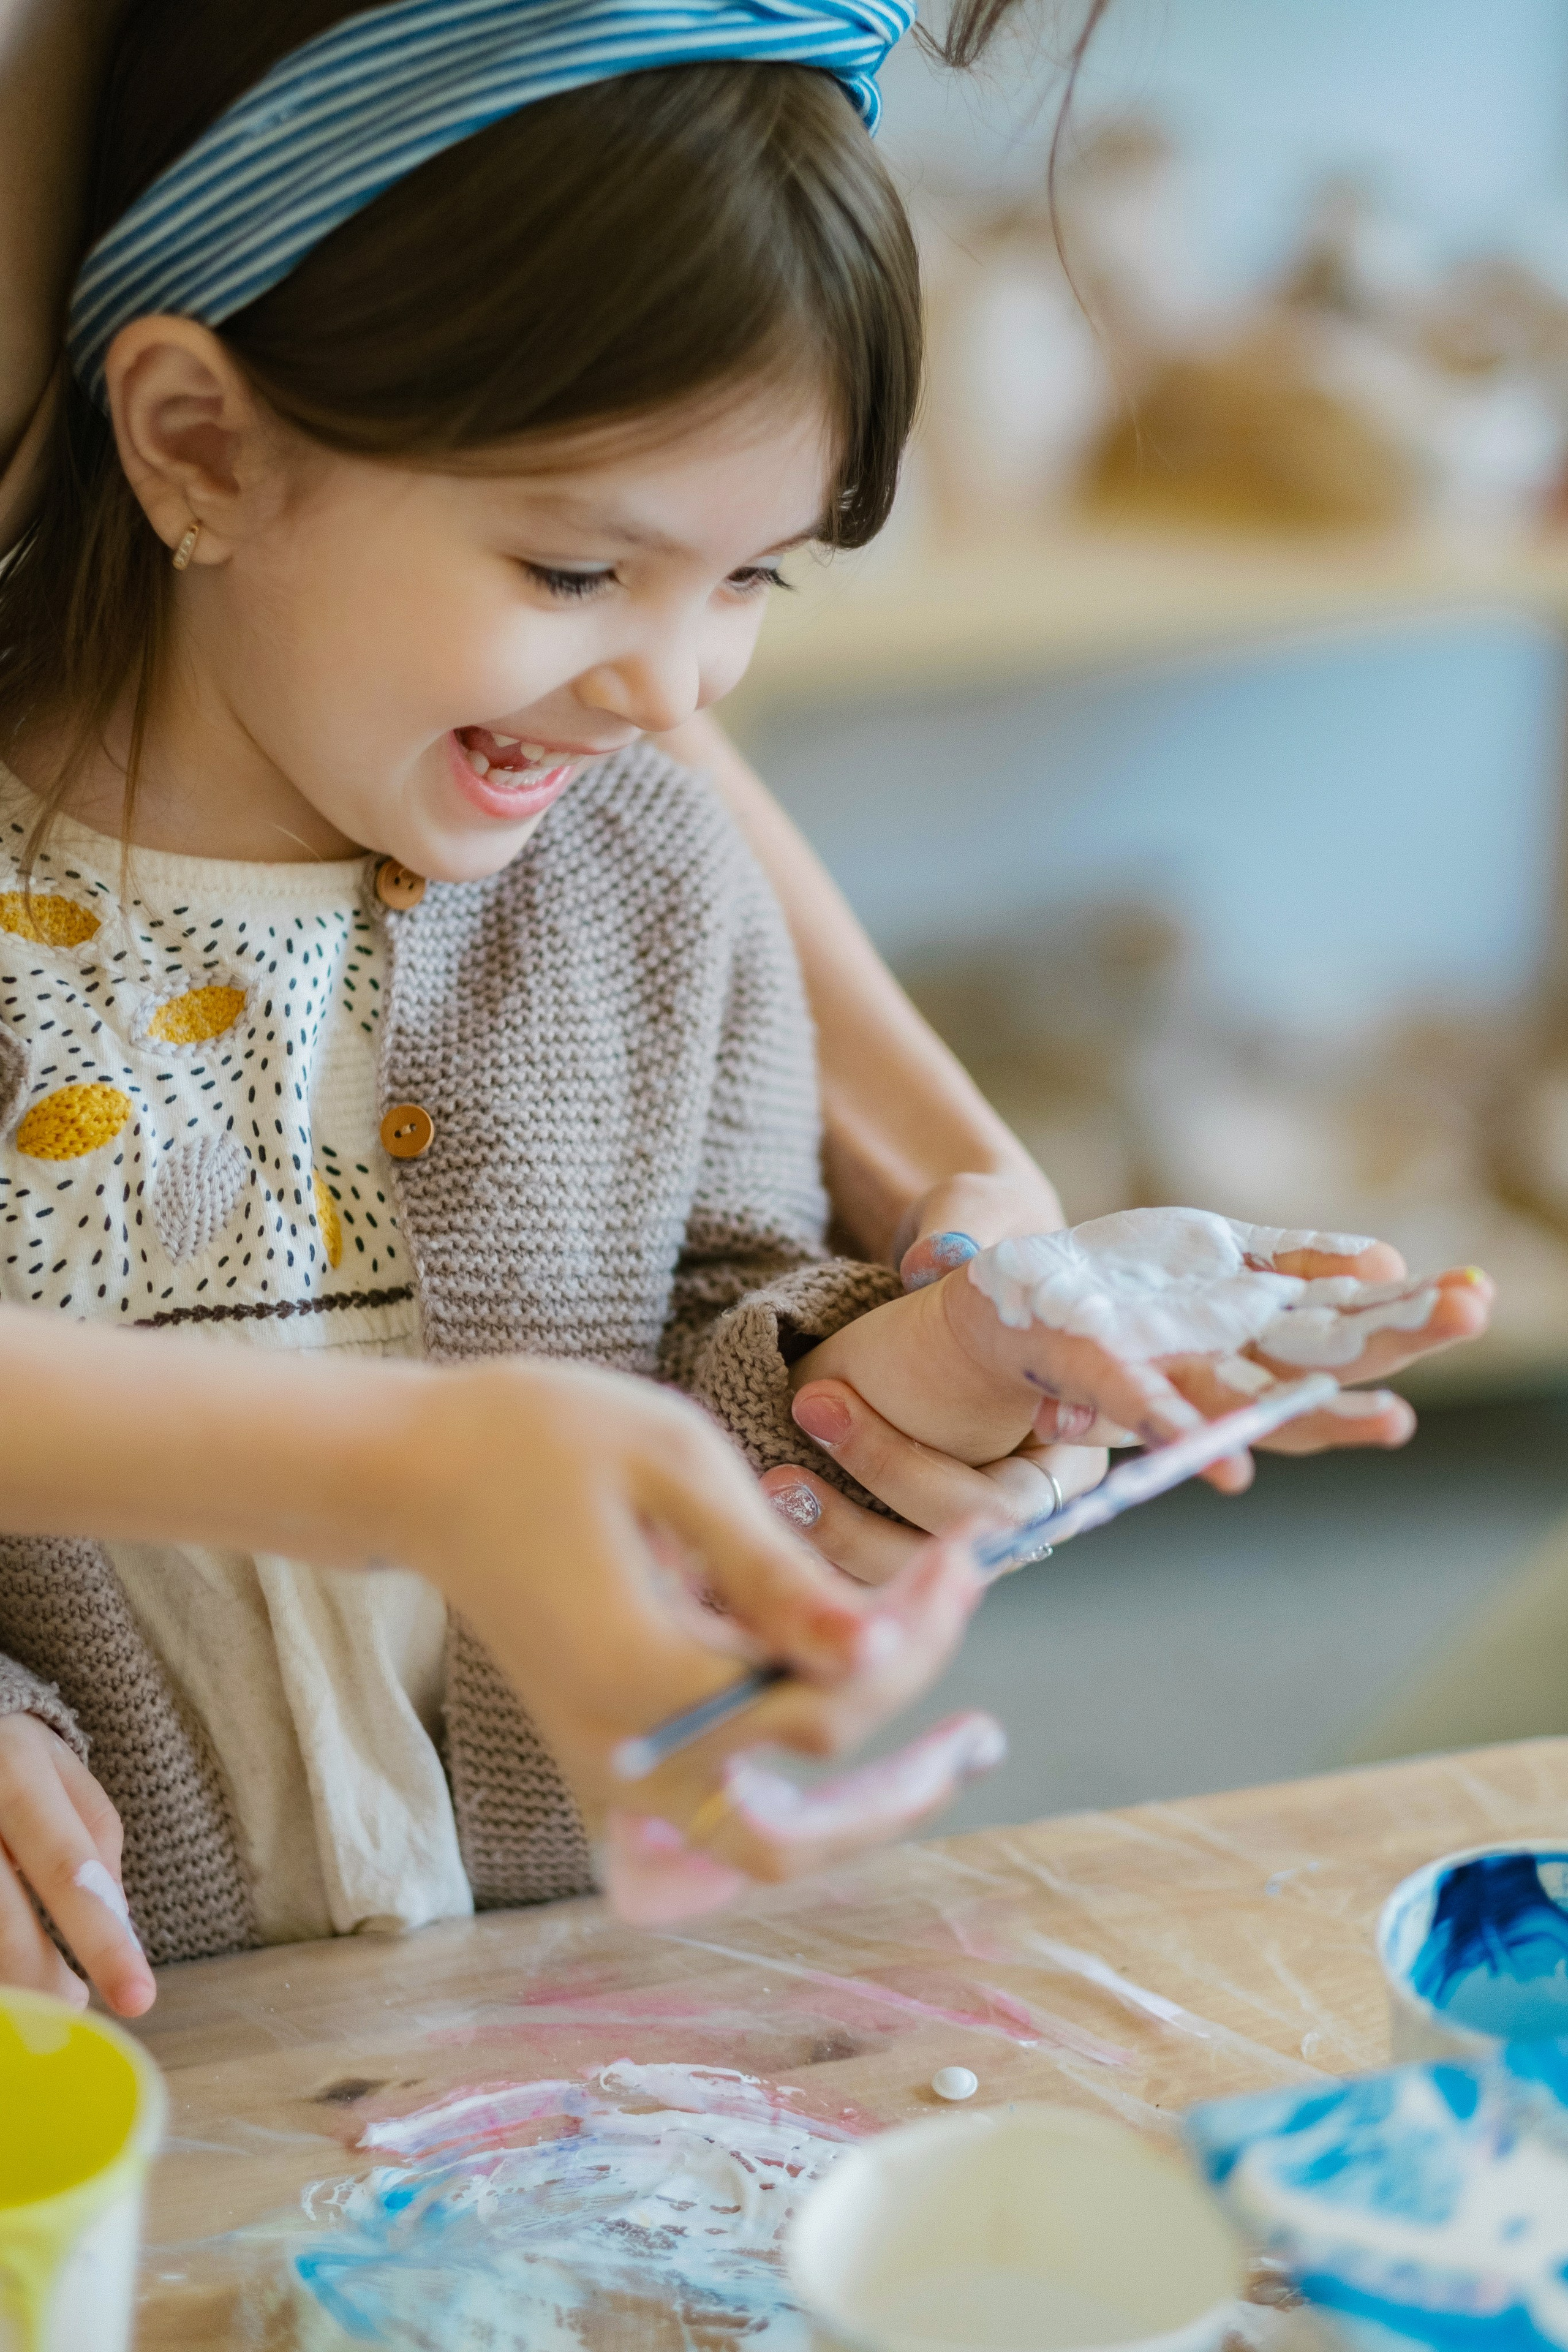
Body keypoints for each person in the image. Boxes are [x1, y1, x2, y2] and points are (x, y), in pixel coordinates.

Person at [0, 0, 1489, 2021]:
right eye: (575, 567)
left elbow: (715, 1352)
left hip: (517, 2011)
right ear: (197, 440)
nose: (675, 689)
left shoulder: (650, 886)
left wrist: (935, 1370)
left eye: (755, 582)